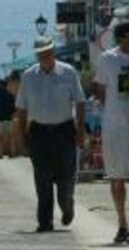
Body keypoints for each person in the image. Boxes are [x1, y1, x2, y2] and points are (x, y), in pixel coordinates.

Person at [15, 36, 86, 232]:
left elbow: (80, 102)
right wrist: (21, 136)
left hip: (64, 130)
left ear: (53, 52)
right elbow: (21, 109)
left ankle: (67, 205)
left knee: (65, 177)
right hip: (39, 132)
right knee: (42, 178)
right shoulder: (28, 76)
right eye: (41, 53)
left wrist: (80, 130)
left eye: (47, 52)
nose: (45, 56)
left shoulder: (68, 72)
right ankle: (45, 221)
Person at [93, 21, 129, 245]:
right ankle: (122, 224)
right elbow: (99, 88)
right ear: (121, 38)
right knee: (117, 177)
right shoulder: (108, 58)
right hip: (114, 126)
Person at [0, 79, 16, 159]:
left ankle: (0, 154)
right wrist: (12, 117)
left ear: (0, 86)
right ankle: (11, 153)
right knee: (10, 137)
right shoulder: (11, 96)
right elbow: (14, 109)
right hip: (9, 119)